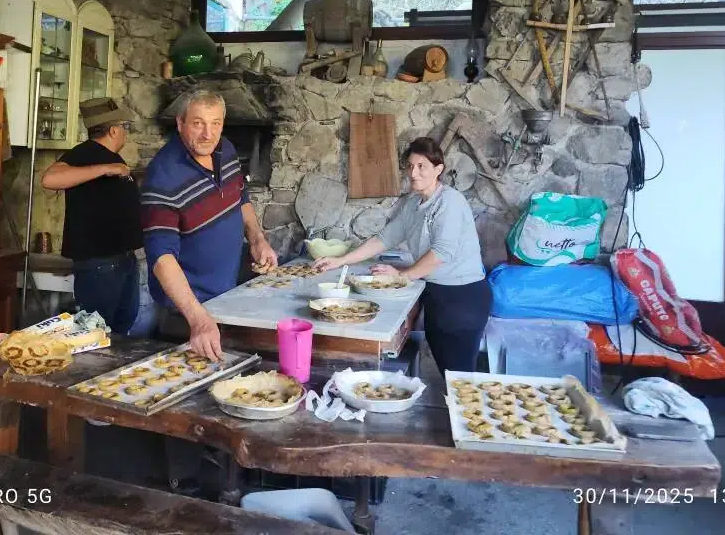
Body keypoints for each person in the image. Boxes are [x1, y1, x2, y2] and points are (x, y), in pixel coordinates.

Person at [314, 137, 491, 374]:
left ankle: (463, 411)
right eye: (410, 166)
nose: (414, 173)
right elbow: (384, 239)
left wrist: (402, 276)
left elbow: (442, 252)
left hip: (463, 297)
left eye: (422, 166)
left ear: (438, 169)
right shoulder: (412, 204)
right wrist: (341, 260)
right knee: (447, 370)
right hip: (436, 293)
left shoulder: (450, 202)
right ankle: (452, 409)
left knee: (459, 373)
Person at [141, 88, 278, 360]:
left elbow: (241, 196)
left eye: (215, 123)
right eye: (198, 123)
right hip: (188, 312)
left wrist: (257, 239)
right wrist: (198, 319)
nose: (208, 134)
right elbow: (161, 258)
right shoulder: (162, 177)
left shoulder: (225, 149)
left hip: (230, 294)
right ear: (180, 124)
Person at [41, 98, 142, 335]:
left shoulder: (110, 157)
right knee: (95, 332)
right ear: (114, 130)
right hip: (100, 264)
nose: (125, 133)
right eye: (124, 127)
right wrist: (106, 169)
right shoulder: (86, 154)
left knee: (120, 328)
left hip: (122, 258)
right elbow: (50, 179)